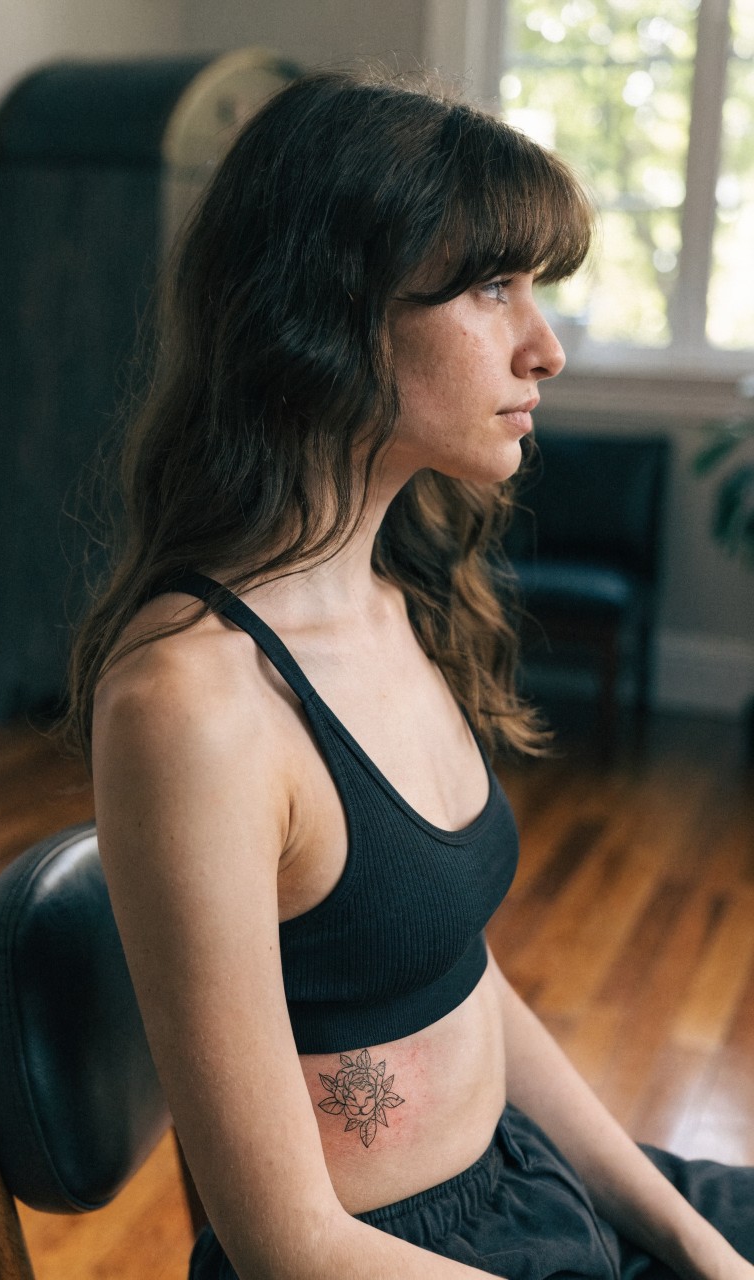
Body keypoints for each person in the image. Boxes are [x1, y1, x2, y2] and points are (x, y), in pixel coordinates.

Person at [66, 69, 754, 1280]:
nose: (544, 345)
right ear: (327, 313)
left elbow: (461, 978)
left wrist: (690, 1236)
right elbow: (289, 1242)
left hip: (517, 1180)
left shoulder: (403, 597)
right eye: (492, 287)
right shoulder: (195, 706)